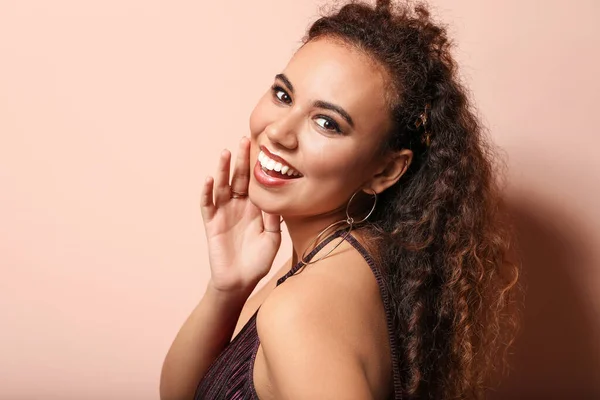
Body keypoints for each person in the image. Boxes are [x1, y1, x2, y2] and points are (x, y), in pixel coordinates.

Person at [160, 0, 520, 399]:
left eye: (327, 123)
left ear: (385, 171)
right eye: (283, 95)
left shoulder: (303, 308)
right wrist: (227, 289)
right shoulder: (345, 258)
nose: (280, 131)